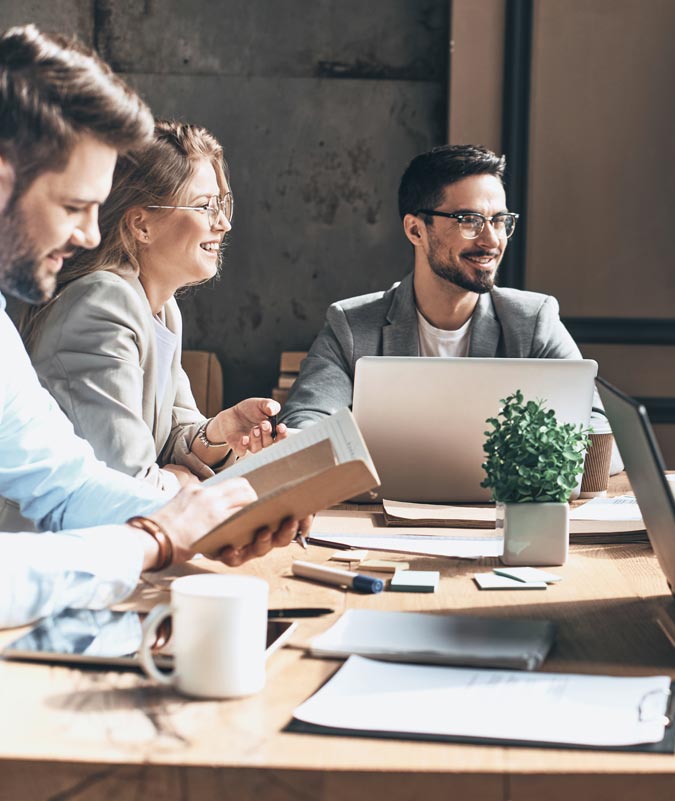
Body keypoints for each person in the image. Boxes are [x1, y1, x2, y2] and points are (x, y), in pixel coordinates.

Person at [0, 25, 301, 629]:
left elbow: (65, 483)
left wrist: (217, 514)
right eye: (72, 206)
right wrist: (156, 532)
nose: (89, 234)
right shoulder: (102, 300)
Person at [279, 144, 621, 471]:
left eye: (500, 220)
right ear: (416, 230)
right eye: (470, 220)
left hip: (499, 522)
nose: (492, 240)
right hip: (381, 519)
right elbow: (303, 424)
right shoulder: (352, 326)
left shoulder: (533, 322)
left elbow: (601, 437)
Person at [18, 120, 287, 494]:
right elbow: (125, 481)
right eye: (204, 206)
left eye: (222, 205)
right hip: (60, 545)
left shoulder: (160, 308)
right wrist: (176, 480)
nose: (223, 223)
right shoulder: (102, 305)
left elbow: (173, 432)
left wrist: (221, 431)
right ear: (141, 225)